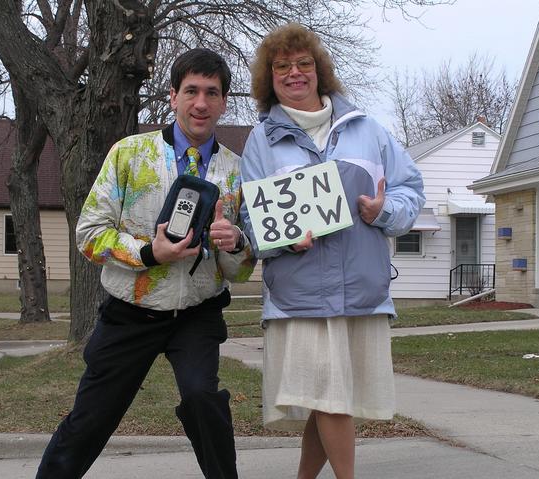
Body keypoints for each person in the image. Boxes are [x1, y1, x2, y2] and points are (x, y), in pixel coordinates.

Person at [36, 48, 255, 479]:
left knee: (202, 400)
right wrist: (149, 253)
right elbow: (89, 236)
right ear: (172, 96)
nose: (201, 103)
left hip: (197, 313)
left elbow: (241, 270)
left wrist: (236, 243)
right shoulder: (129, 154)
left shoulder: (237, 172)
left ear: (225, 102)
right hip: (129, 313)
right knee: (91, 418)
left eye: (212, 93)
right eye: (191, 90)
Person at [239, 24, 425, 479]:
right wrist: (284, 237)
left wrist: (384, 211)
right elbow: (250, 221)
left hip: (360, 288)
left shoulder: (368, 129)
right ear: (269, 77)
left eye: (303, 63)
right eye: (281, 66)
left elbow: (411, 192)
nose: (294, 73)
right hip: (299, 295)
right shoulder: (261, 141)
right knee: (330, 397)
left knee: (331, 398)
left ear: (320, 70)